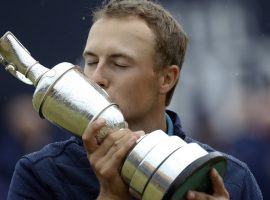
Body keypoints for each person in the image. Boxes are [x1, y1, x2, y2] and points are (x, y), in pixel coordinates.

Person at [8, 0, 262, 199]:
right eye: (91, 61)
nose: (96, 78)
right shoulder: (42, 174)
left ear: (166, 79)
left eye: (119, 64)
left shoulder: (228, 179)